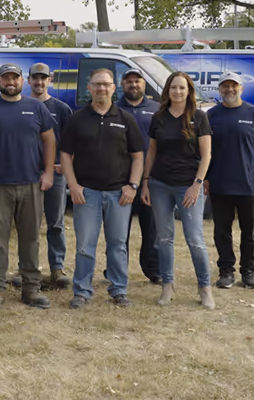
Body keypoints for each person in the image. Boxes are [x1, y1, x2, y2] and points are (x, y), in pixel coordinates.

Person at [0, 63, 56, 309]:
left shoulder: (36, 107)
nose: (10, 82)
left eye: (14, 78)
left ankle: (31, 289)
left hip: (31, 184)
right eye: (6, 78)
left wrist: (48, 172)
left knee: (31, 238)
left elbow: (49, 140)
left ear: (22, 81)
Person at [62, 68, 145, 308]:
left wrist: (133, 186)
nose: (101, 88)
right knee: (85, 246)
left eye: (106, 84)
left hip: (119, 194)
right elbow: (65, 155)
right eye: (97, 84)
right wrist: (73, 185)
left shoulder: (125, 119)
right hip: (86, 193)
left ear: (113, 88)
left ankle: (118, 290)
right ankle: (82, 291)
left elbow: (138, 156)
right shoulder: (77, 119)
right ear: (89, 88)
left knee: (117, 245)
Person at [142, 72, 215, 309]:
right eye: (174, 87)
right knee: (164, 239)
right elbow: (152, 152)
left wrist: (197, 184)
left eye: (182, 88)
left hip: (189, 185)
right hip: (160, 185)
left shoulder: (199, 117)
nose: (178, 92)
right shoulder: (158, 118)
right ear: (168, 90)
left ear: (189, 91)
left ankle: (205, 288)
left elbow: (206, 156)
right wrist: (145, 182)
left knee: (195, 239)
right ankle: (167, 285)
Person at [206, 72, 254, 290]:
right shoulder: (211, 116)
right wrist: (205, 178)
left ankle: (248, 273)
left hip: (249, 185)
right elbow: (203, 151)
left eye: (233, 85)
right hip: (219, 185)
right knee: (221, 232)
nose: (229, 89)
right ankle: (226, 272)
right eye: (225, 86)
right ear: (219, 90)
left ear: (241, 88)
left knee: (250, 232)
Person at [28, 63, 73, 291]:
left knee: (55, 223)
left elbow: (71, 141)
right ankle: (29, 268)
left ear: (50, 80)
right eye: (35, 78)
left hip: (55, 175)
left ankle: (57, 268)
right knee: (29, 225)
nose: (39, 82)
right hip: (27, 174)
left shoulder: (61, 109)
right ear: (28, 81)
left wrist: (65, 165)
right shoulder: (22, 106)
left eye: (43, 78)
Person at [118, 68, 161, 284]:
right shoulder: (114, 109)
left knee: (151, 229)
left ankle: (153, 269)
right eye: (129, 81)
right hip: (119, 179)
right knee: (118, 231)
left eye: (137, 81)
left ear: (144, 84)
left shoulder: (157, 109)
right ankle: (117, 270)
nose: (133, 85)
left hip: (150, 179)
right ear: (122, 85)